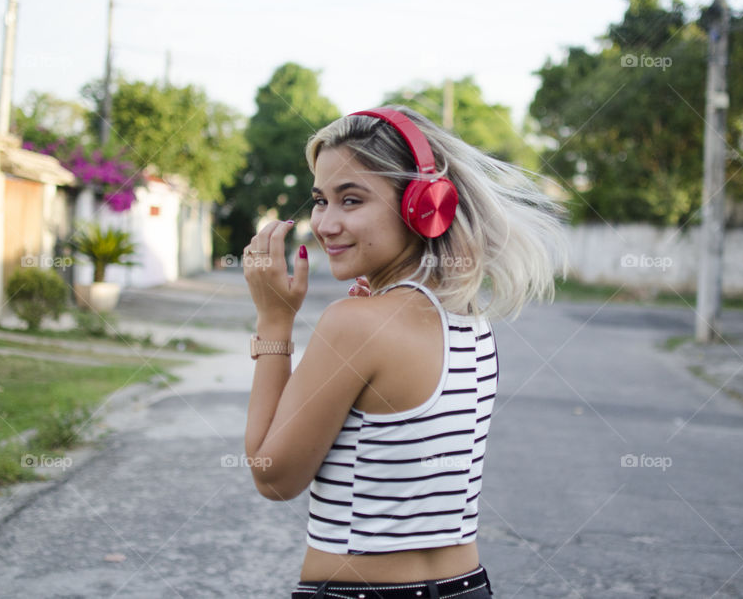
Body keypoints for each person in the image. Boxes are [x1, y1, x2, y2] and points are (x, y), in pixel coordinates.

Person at [242, 105, 569, 598]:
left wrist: (274, 320)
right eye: (320, 200)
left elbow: (274, 478)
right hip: (467, 587)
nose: (325, 224)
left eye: (351, 200)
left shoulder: (354, 326)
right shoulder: (471, 318)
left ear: (422, 204)